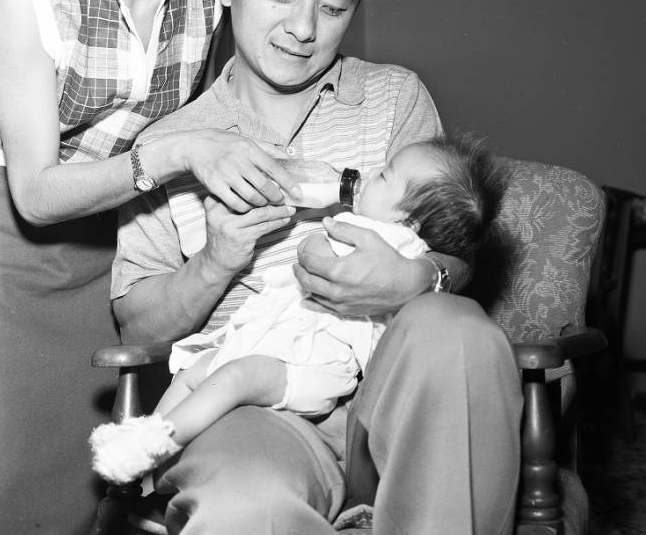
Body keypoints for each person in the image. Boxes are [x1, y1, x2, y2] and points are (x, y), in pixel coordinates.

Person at [111, 0, 523, 535]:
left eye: (334, 7)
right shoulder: (169, 144)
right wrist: (218, 258)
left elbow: (456, 251)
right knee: (246, 505)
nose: (303, 28)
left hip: (396, 394)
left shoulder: (393, 99)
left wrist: (418, 277)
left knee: (460, 333)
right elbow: (136, 328)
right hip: (258, 412)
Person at [0, 0, 300, 535]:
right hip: (15, 261)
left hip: (129, 259)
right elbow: (33, 190)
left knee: (108, 483)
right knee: (17, 484)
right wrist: (175, 155)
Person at [91, 134, 509, 484]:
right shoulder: (383, 223)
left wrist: (420, 276)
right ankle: (146, 450)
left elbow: (313, 252)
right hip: (277, 341)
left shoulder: (391, 243)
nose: (369, 177)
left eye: (384, 175)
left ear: (409, 222)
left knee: (235, 376)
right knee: (197, 373)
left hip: (316, 363)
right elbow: (139, 327)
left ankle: (152, 448)